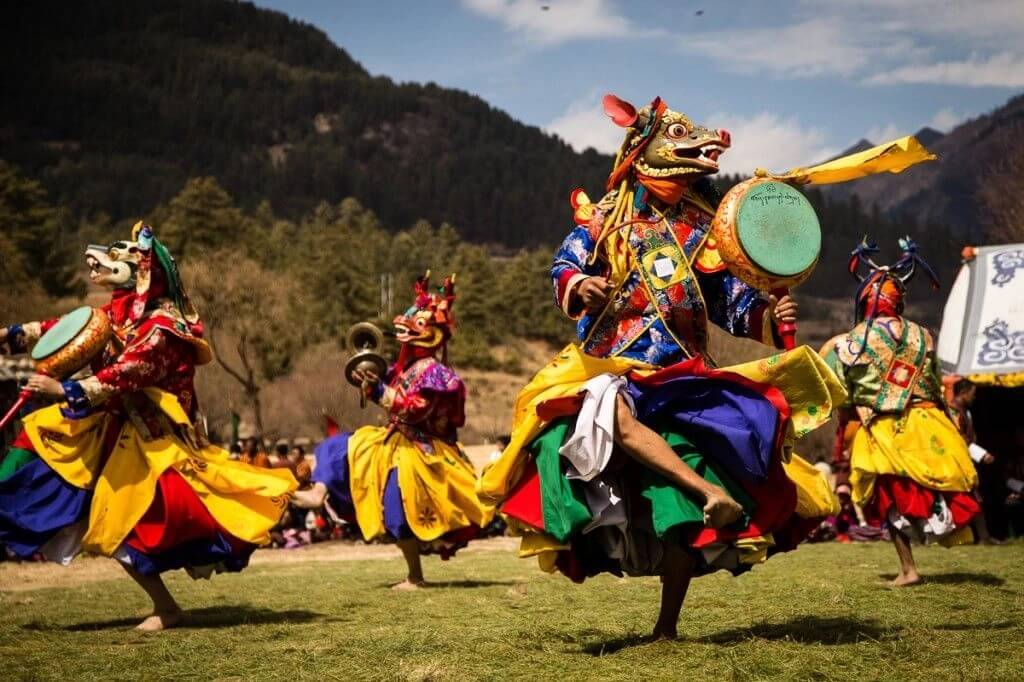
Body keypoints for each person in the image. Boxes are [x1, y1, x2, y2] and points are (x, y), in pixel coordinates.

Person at [479, 95, 843, 640]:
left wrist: (767, 313)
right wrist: (581, 286)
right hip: (615, 365)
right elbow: (564, 265)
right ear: (641, 153)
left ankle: (668, 624)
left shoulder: (704, 235)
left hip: (686, 373)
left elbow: (728, 304)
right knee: (606, 414)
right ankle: (704, 493)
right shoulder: (605, 222)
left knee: (679, 507)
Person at [0, 222, 297, 631]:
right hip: (105, 427)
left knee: (127, 526)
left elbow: (131, 370)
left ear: (143, 272)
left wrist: (63, 388)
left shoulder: (163, 327)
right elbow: (64, 329)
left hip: (149, 441)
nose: (102, 262)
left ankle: (166, 607)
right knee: (36, 441)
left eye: (118, 257)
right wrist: (10, 336)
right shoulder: (114, 313)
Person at [292, 273, 493, 589]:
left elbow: (415, 407)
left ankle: (415, 576)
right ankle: (320, 492)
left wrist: (378, 391)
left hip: (422, 450)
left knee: (399, 507)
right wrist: (367, 375)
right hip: (393, 441)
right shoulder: (404, 369)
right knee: (338, 447)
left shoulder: (438, 375)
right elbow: (384, 382)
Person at [821, 237, 980, 586]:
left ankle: (908, 568)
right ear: (900, 300)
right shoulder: (924, 335)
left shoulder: (850, 341)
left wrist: (848, 414)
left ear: (865, 299)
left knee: (890, 496)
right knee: (932, 485)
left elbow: (838, 391)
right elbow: (936, 383)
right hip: (928, 421)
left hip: (883, 427)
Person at [950, 378, 1001, 544]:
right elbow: (959, 438)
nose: (974, 397)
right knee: (968, 498)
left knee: (975, 497)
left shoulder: (965, 410)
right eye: (972, 394)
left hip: (966, 461)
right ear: (963, 393)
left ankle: (983, 537)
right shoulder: (954, 411)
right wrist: (981, 454)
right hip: (956, 461)